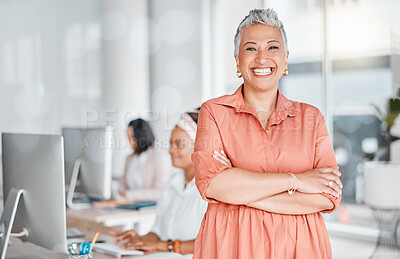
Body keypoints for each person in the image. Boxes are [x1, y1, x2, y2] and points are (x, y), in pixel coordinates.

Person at [191, 9, 343, 259]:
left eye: (272, 48)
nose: (262, 58)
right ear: (237, 61)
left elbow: (327, 196)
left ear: (285, 60)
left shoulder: (311, 117)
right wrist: (297, 181)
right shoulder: (214, 112)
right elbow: (213, 185)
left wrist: (239, 191)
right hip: (232, 246)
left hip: (301, 248)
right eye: (251, 49)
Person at [113, 110, 207, 255]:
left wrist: (164, 246)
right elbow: (158, 231)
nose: (171, 150)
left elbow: (212, 243)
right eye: (170, 144)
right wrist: (141, 239)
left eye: (179, 144)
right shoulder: (171, 185)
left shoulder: (210, 190)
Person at [118, 118, 171, 203]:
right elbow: (122, 187)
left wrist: (129, 195)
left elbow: (159, 192)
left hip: (150, 209)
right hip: (128, 206)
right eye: (128, 138)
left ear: (141, 136)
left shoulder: (158, 158)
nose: (130, 142)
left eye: (132, 137)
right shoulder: (129, 159)